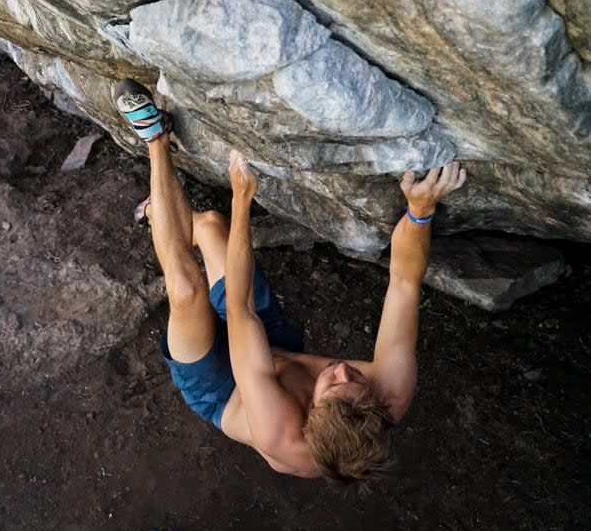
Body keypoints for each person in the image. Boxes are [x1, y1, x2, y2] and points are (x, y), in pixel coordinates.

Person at [114, 79, 466, 483]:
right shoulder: (387, 392)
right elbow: (404, 282)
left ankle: (155, 137)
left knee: (186, 290)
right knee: (211, 227)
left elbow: (242, 307)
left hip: (223, 385)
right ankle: (161, 217)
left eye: (333, 385)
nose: (343, 370)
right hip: (273, 346)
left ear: (308, 419)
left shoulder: (277, 431)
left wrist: (242, 199)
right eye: (356, 381)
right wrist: (421, 210)